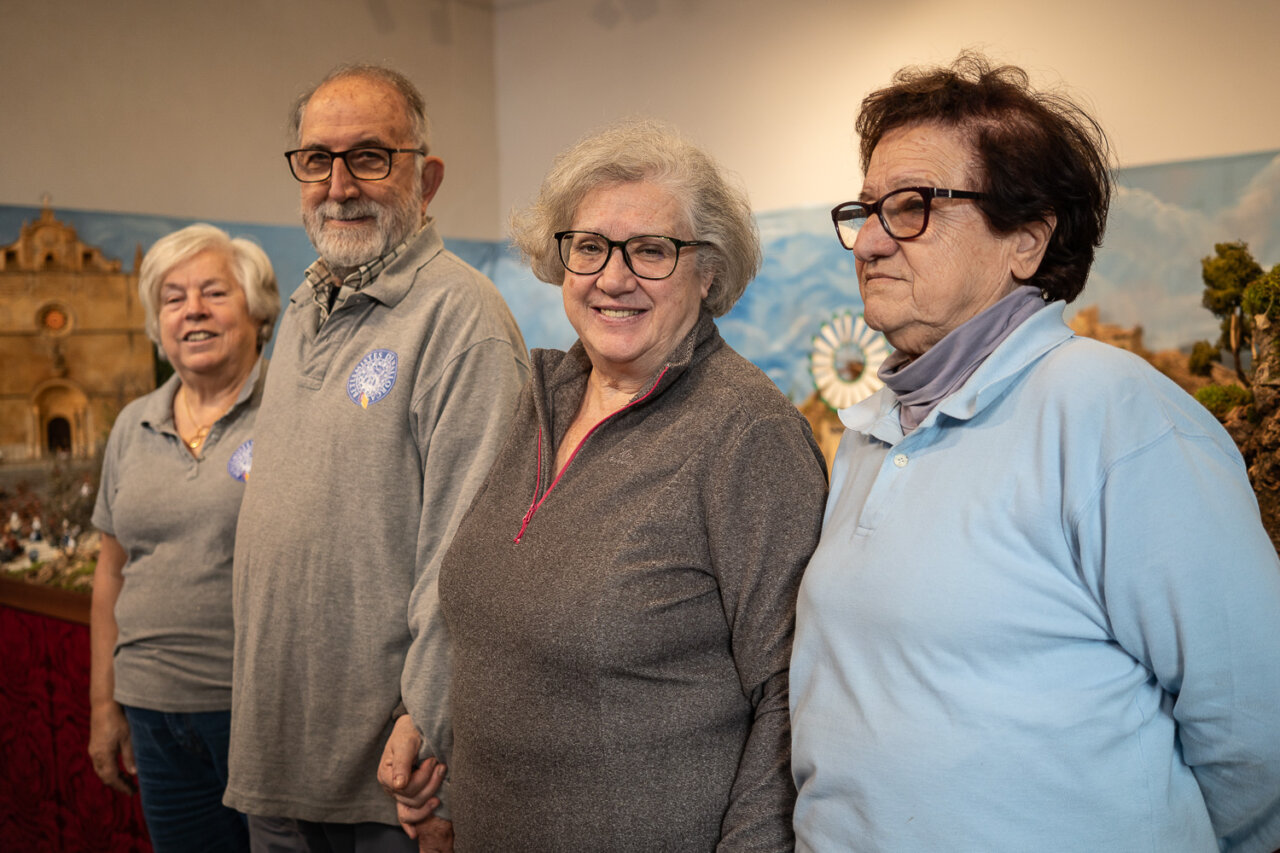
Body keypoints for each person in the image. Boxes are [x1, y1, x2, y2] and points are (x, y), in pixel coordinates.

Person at [789, 53, 1280, 852]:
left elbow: (1260, 727)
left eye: (910, 207)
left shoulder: (1117, 414)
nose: (869, 242)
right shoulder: (871, 433)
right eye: (865, 209)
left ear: (1025, 238)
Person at [380, 119, 829, 851]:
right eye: (589, 247)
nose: (613, 277)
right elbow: (498, 629)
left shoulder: (747, 433)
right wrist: (437, 746)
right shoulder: (542, 396)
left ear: (707, 271)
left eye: (652, 250)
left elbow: (792, 690)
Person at [223, 63, 528, 853]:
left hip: (390, 779)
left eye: (369, 156)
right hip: (280, 752)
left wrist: (427, 716)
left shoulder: (464, 320)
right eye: (316, 159)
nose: (338, 183)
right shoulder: (303, 307)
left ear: (424, 178)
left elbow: (470, 551)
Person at [89, 223, 279, 852]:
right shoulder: (130, 423)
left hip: (264, 715)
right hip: (151, 711)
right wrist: (104, 705)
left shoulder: (291, 412)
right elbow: (111, 571)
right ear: (157, 323)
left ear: (255, 310)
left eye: (213, 293)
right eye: (172, 298)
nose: (192, 310)